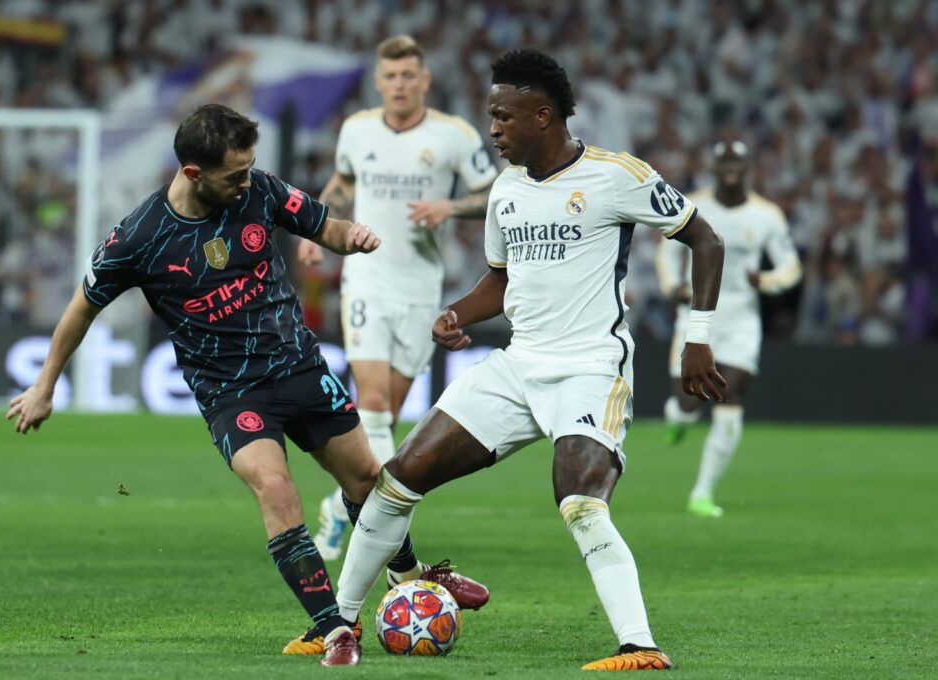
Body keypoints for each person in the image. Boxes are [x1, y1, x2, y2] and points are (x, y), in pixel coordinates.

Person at [5, 104, 487, 667]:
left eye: (248, 169)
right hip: (232, 393)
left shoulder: (257, 189)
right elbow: (80, 309)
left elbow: (320, 224)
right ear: (192, 173)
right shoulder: (139, 237)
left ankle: (410, 578)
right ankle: (333, 629)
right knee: (276, 488)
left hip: (299, 366)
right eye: (233, 174)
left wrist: (348, 236)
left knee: (368, 480)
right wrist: (44, 386)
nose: (245, 181)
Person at [319, 49, 727, 669]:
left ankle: (639, 647)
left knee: (580, 502)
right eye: (490, 117)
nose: (493, 130)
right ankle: (337, 625)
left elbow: (706, 239)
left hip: (591, 367)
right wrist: (458, 312)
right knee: (398, 478)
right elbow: (500, 281)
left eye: (503, 117)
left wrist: (697, 338)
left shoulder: (617, 175)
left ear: (544, 116)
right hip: (517, 366)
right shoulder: (506, 190)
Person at [297, 35, 499, 562]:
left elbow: (494, 192)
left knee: (384, 420)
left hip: (419, 288)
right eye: (391, 76)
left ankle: (340, 506)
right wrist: (317, 233)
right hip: (365, 279)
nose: (400, 85)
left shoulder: (452, 136)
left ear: (425, 79)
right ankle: (386, 538)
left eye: (409, 75)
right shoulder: (357, 130)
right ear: (379, 81)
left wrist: (448, 208)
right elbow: (341, 183)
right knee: (377, 406)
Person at [658, 141, 802, 518]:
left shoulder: (767, 215)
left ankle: (702, 493)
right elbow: (667, 251)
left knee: (731, 394)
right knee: (690, 402)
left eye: (736, 161)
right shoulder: (692, 204)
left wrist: (767, 281)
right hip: (697, 315)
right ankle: (677, 417)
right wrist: (672, 285)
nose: (730, 168)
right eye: (723, 161)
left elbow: (791, 266)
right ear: (714, 167)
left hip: (741, 318)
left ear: (748, 166)